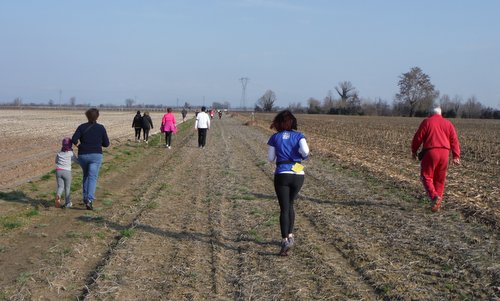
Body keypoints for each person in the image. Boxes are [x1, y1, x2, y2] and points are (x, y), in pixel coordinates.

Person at [267, 110, 309, 256]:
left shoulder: (275, 137)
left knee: (284, 208)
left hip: (282, 175)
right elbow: (305, 151)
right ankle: (290, 236)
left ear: (278, 123)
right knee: (290, 205)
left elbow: (271, 158)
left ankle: (285, 240)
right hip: (298, 175)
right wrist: (301, 156)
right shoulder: (299, 136)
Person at [411, 106, 460, 212]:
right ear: (440, 114)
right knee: (439, 180)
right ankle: (436, 205)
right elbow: (454, 140)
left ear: (430, 113)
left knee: (426, 176)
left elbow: (418, 137)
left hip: (431, 152)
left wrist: (414, 151)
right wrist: (456, 156)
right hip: (445, 154)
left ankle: (434, 197)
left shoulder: (427, 122)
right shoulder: (448, 124)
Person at [72, 108, 110, 210]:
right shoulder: (101, 128)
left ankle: (85, 198)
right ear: (97, 116)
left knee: (86, 175)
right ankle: (89, 199)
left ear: (87, 116)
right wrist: (98, 143)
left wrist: (80, 146)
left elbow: (74, 139)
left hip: (83, 156)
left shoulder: (81, 127)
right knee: (92, 177)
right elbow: (106, 144)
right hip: (96, 156)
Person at [55, 137, 77, 209]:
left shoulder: (59, 153)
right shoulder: (71, 153)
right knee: (67, 188)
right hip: (67, 172)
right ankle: (68, 203)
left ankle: (58, 196)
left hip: (58, 171)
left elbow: (56, 161)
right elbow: (77, 161)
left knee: (60, 186)